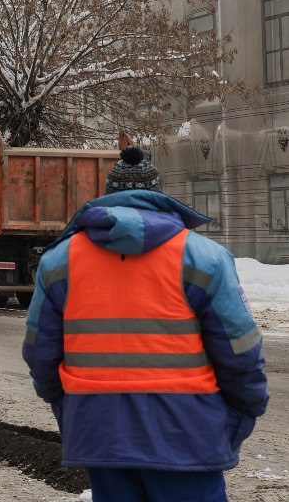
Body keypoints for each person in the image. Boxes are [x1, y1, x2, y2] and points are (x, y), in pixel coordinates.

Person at [22, 146, 268, 502]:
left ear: (108, 195)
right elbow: (240, 353)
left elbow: (38, 352)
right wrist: (245, 409)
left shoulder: (59, 261)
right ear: (157, 193)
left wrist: (68, 406)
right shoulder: (204, 258)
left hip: (99, 428)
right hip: (187, 432)